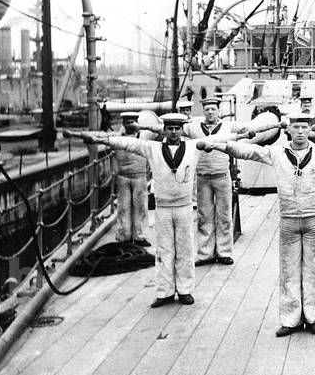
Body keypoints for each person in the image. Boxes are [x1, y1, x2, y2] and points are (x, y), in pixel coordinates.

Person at [198, 113, 315, 336]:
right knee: (288, 270)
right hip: (289, 219)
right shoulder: (276, 153)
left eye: (303, 127)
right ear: (288, 130)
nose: (300, 131)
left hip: (314, 219)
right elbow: (247, 151)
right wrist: (215, 145)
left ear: (310, 130)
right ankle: (291, 319)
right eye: (296, 127)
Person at [64, 113, 244, 307]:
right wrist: (90, 137)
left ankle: (185, 290)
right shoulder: (152, 148)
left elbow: (222, 138)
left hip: (183, 207)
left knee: (184, 249)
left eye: (177, 128)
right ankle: (165, 292)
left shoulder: (194, 146)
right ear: (164, 130)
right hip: (163, 208)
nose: (174, 132)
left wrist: (246, 134)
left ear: (182, 129)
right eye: (170, 128)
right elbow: (123, 143)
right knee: (164, 249)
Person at [137, 97, 272, 266]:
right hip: (202, 178)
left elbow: (253, 127)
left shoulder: (229, 126)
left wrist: (275, 125)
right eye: (207, 109)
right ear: (203, 111)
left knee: (224, 216)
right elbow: (162, 128)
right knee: (204, 215)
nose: (210, 112)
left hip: (222, 176)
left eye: (213, 109)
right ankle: (205, 253)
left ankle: (224, 252)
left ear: (218, 111)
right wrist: (141, 126)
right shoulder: (193, 127)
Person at [112, 112, 151, 247]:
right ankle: (124, 235)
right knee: (123, 207)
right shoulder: (117, 138)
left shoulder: (144, 137)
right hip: (123, 177)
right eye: (127, 122)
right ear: (123, 124)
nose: (130, 125)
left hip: (139, 177)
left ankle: (140, 236)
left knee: (140, 208)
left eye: (132, 122)